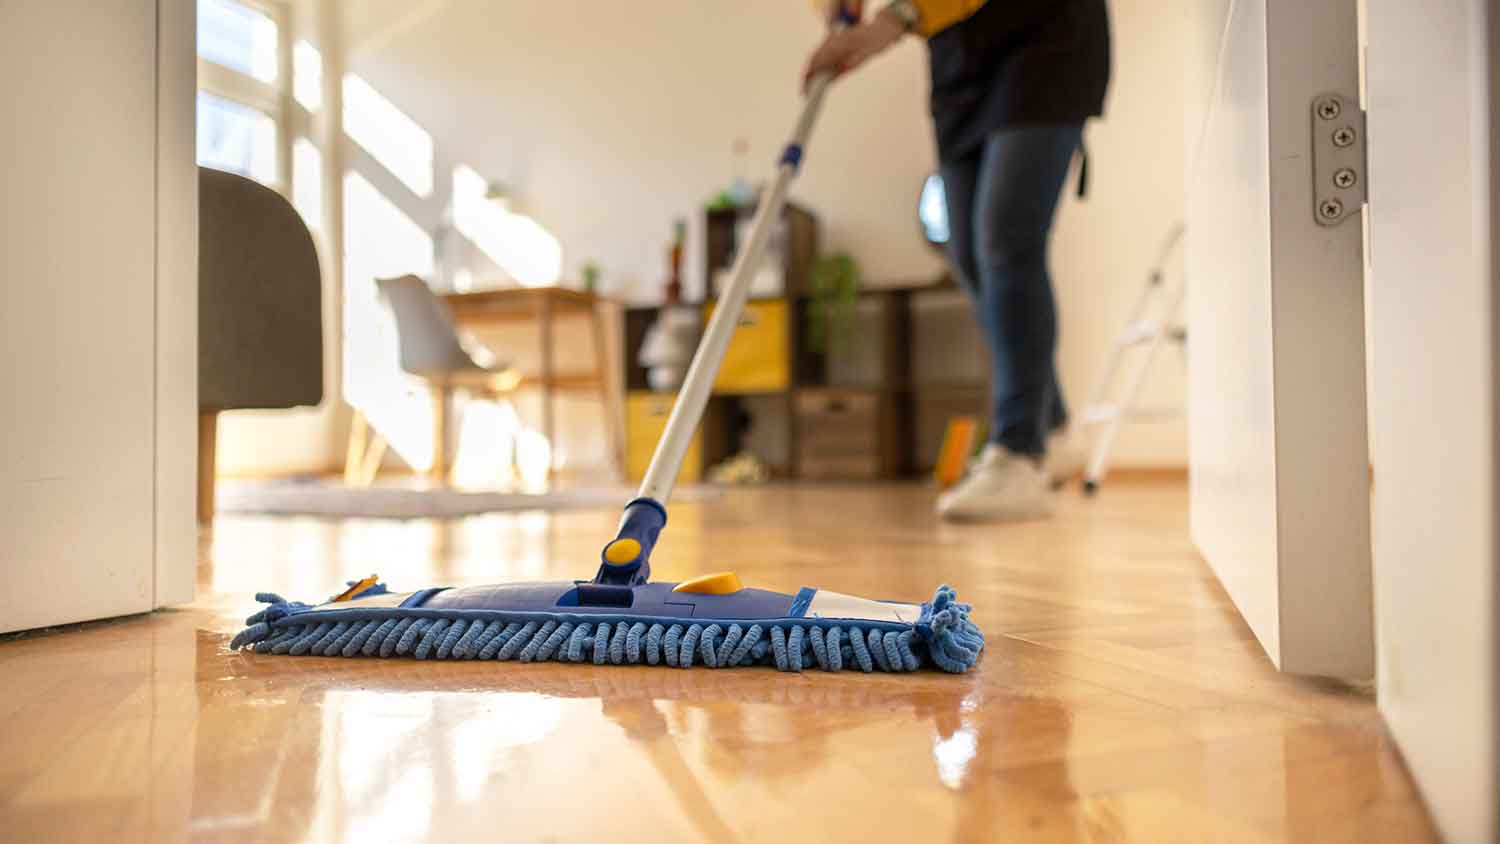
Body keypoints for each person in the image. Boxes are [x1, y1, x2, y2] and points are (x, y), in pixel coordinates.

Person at [804, 0, 1110, 521]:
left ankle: (1019, 452)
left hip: (1044, 37)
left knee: (1007, 241)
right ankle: (1052, 427)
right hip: (959, 59)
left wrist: (894, 19)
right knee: (966, 251)